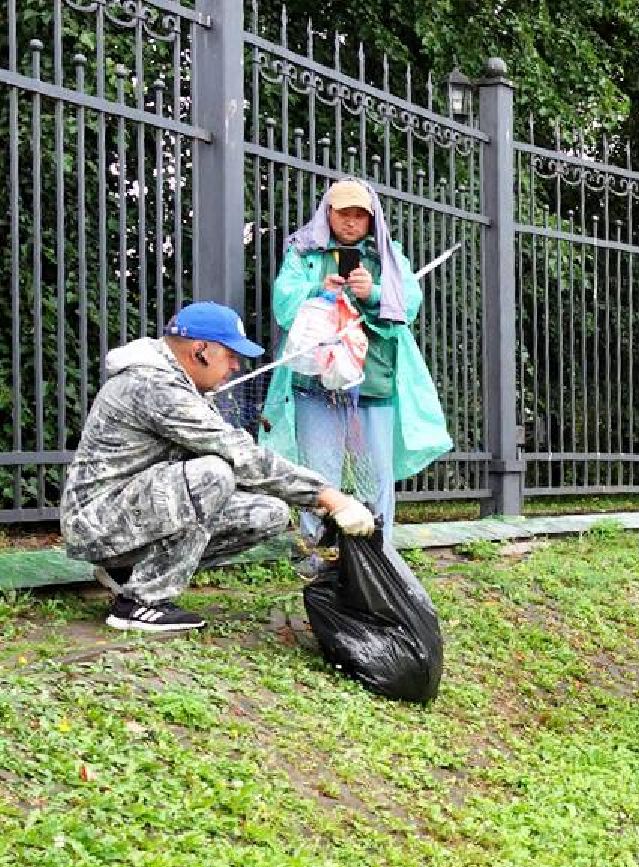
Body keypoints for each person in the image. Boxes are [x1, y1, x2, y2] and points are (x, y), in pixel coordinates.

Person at [60, 301, 377, 632]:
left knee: (268, 513)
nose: (236, 366)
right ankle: (140, 603)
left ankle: (128, 571)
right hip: (96, 520)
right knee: (213, 474)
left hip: (127, 511)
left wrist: (315, 498)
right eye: (230, 354)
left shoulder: (178, 383)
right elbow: (240, 456)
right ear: (201, 351)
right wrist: (328, 496)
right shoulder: (152, 385)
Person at [260, 177, 451, 547]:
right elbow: (284, 304)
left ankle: (378, 553)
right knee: (318, 474)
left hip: (374, 380)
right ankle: (319, 556)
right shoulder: (303, 252)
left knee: (376, 478)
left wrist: (373, 292)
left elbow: (409, 304)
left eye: (359, 215)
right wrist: (321, 292)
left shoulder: (388, 255)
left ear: (371, 218)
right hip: (315, 383)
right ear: (327, 213)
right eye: (342, 213)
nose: (350, 222)